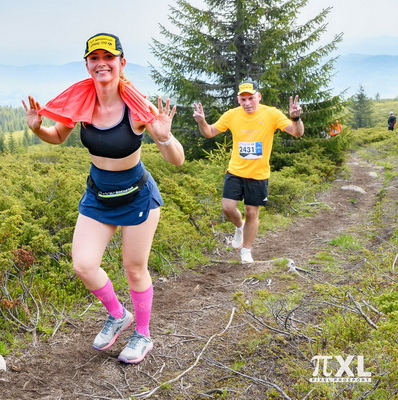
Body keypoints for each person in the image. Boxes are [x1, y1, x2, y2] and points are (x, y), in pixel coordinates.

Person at [22, 33, 185, 364]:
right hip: (98, 195)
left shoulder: (137, 108)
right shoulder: (81, 104)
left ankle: (142, 335)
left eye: (108, 57)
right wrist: (37, 128)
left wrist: (165, 137)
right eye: (94, 58)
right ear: (87, 64)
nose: (101, 63)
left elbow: (177, 160)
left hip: (137, 196)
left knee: (134, 269)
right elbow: (57, 136)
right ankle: (118, 315)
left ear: (121, 63)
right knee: (83, 264)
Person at [192, 80, 303, 263]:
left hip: (258, 174)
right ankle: (239, 227)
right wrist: (201, 121)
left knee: (252, 212)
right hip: (235, 171)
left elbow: (297, 132)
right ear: (238, 100)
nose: (247, 103)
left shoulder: (271, 113)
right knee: (228, 208)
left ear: (258, 96)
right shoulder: (231, 115)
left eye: (251, 98)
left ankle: (246, 251)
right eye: (243, 99)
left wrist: (296, 119)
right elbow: (210, 132)